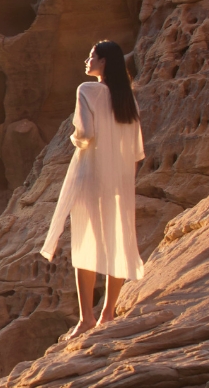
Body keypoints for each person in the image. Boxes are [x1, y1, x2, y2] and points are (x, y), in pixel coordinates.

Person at [39, 40, 145, 339]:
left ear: (104, 62)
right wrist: (126, 181)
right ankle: (108, 313)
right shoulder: (128, 99)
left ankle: (86, 319)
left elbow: (85, 134)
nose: (87, 60)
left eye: (92, 56)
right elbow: (136, 150)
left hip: (90, 174)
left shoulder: (87, 90)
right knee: (117, 241)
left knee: (85, 243)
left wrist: (75, 141)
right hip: (119, 179)